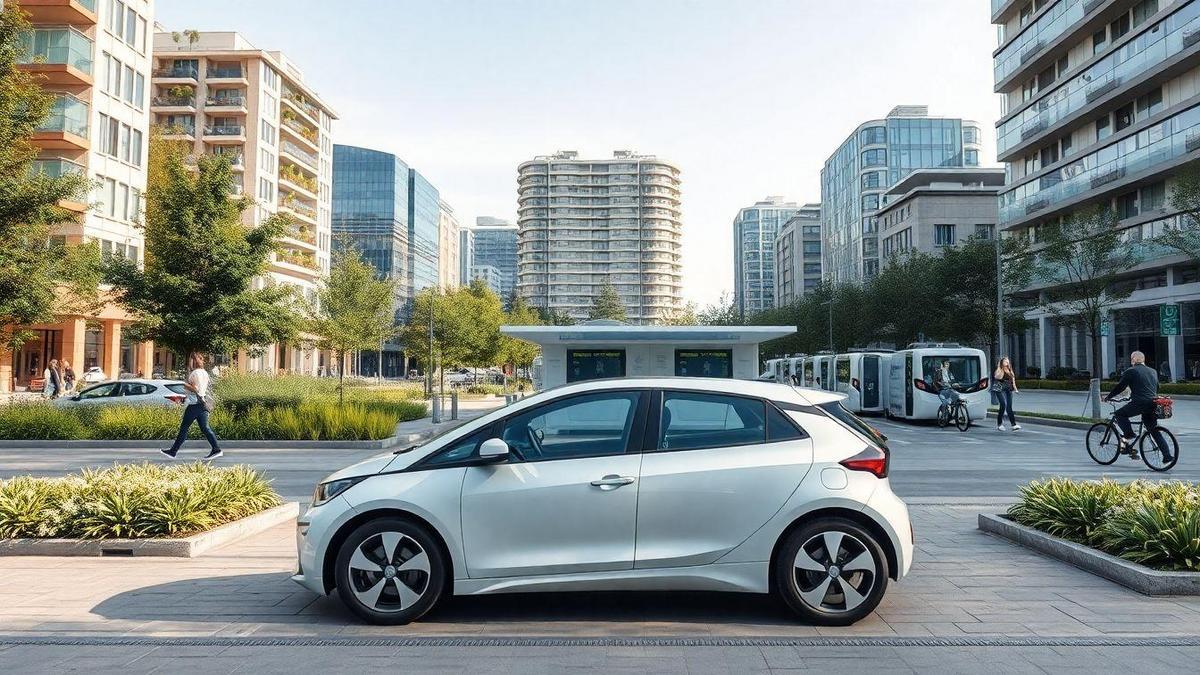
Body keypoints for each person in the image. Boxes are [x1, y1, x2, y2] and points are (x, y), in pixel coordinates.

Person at [1104, 350, 1171, 462]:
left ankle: (1129, 434)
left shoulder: (1131, 371)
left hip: (1140, 403)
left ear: (1134, 360)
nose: (1131, 361)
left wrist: (1108, 397)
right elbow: (1156, 387)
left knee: (1119, 414)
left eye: (1131, 359)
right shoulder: (1153, 371)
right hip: (1153, 403)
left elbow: (1120, 386)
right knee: (1153, 430)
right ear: (1143, 360)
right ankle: (1167, 455)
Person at [161, 353, 222, 460]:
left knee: (184, 428)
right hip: (202, 403)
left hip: (194, 405)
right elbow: (201, 390)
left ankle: (173, 451)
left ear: (193, 361)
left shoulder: (195, 373)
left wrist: (183, 384)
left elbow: (196, 389)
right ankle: (216, 449)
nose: (189, 362)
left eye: (190, 360)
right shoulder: (204, 373)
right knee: (205, 428)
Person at [993, 357, 1021, 432]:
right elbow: (997, 377)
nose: (1007, 362)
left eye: (1008, 361)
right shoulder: (999, 370)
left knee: (1009, 407)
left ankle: (1014, 425)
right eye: (1005, 361)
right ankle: (1000, 424)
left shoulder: (1010, 371)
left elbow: (1013, 381)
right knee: (1003, 405)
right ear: (1002, 362)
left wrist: (1016, 389)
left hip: (1008, 389)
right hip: (999, 389)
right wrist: (1001, 368)